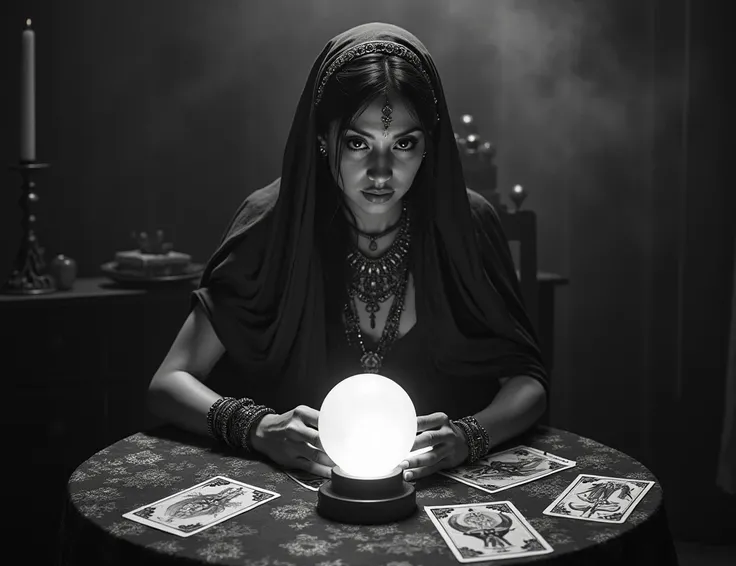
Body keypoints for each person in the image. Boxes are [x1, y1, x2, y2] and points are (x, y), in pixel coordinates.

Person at [146, 22, 548, 482]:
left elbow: (527, 381)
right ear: (322, 137)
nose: (381, 171)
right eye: (358, 143)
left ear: (429, 146)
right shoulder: (272, 224)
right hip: (291, 496)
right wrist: (258, 428)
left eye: (403, 144)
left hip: (436, 490)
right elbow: (168, 383)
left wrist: (469, 436)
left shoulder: (466, 224)